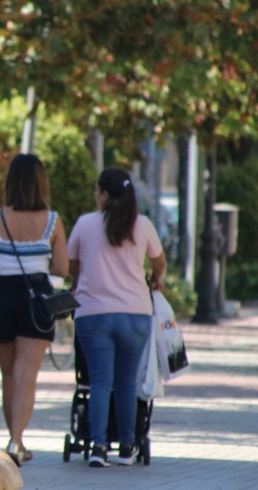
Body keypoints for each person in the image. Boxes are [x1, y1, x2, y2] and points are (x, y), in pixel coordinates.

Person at [68, 167, 166, 468]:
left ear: (105, 194)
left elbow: (72, 266)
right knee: (126, 382)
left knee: (99, 381)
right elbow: (159, 264)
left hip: (93, 314)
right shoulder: (144, 225)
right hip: (135, 314)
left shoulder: (85, 224)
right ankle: (127, 447)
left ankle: (97, 447)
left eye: (97, 190)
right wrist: (153, 280)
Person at [0, 154, 68, 465]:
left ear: (10, 182)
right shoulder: (53, 221)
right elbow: (61, 267)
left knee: (8, 375)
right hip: (37, 298)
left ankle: (16, 439)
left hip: (1, 294)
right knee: (27, 374)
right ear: (42, 182)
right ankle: (16, 441)